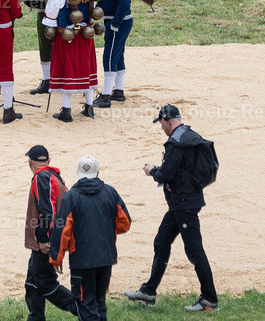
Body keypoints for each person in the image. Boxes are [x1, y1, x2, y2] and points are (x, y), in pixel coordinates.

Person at [124, 105, 219, 313]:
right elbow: (179, 170)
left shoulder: (176, 144)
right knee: (162, 241)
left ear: (167, 121)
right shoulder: (190, 135)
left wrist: (152, 171)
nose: (161, 128)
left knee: (194, 250)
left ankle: (210, 300)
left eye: (161, 124)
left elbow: (164, 175)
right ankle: (148, 292)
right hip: (183, 202)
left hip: (184, 204)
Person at [50, 156, 132, 321]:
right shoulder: (111, 192)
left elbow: (62, 229)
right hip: (105, 257)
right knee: (99, 302)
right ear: (98, 173)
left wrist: (55, 258)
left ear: (78, 174)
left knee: (86, 305)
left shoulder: (71, 196)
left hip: (82, 260)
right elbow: (125, 223)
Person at [23, 145, 78, 321]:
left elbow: (47, 212)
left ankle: (84, 310)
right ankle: (35, 317)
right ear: (48, 161)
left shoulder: (41, 178)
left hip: (46, 241)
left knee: (45, 283)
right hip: (53, 237)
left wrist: (43, 240)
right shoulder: (53, 175)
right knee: (32, 282)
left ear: (29, 162)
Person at [44, 0, 98, 123]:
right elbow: (93, 12)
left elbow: (50, 16)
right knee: (87, 69)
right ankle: (89, 107)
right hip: (86, 36)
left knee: (66, 70)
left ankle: (66, 111)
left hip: (66, 37)